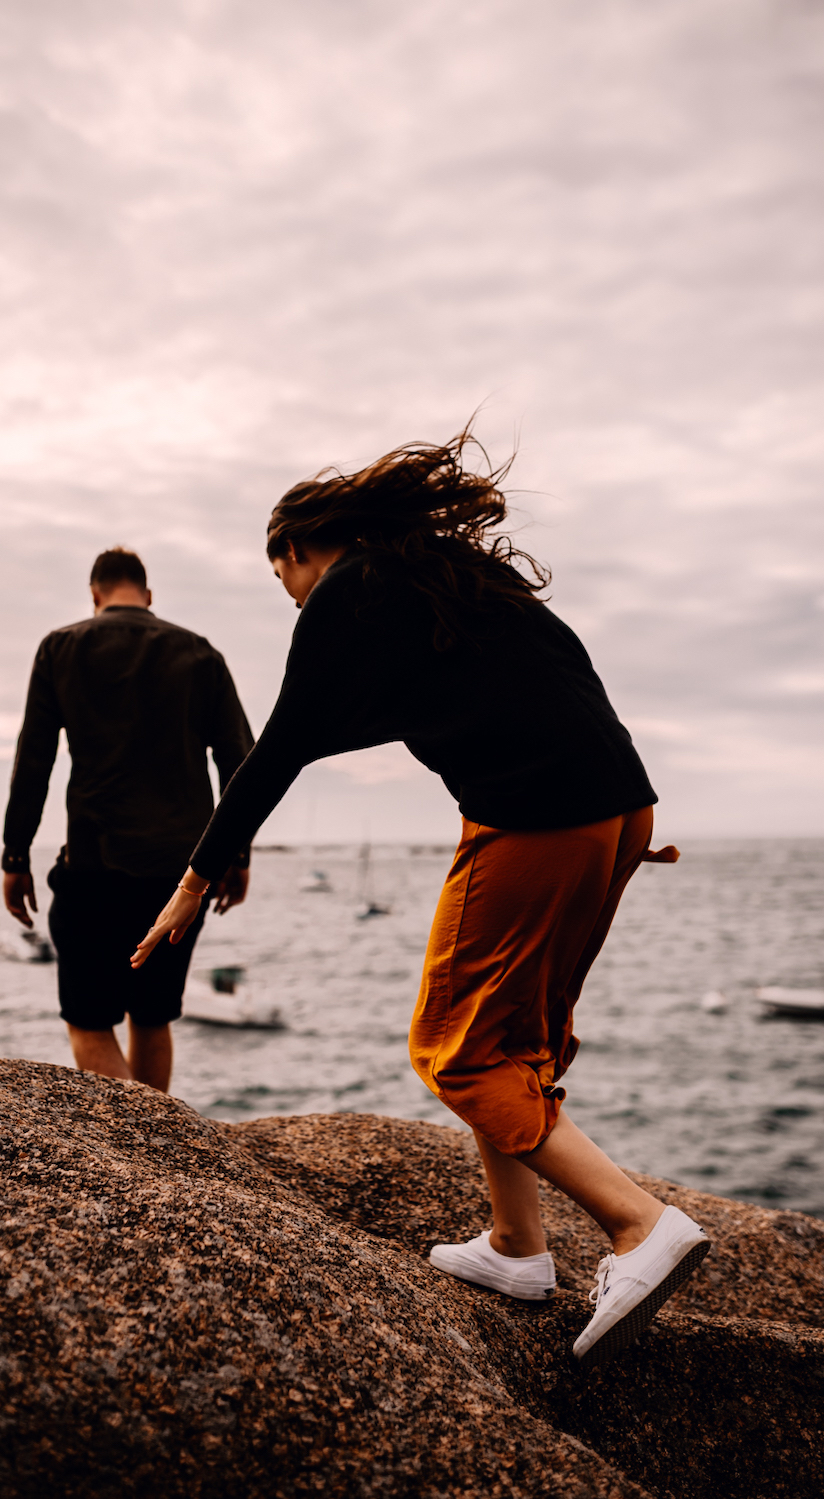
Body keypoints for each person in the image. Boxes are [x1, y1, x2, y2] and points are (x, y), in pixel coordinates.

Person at [130, 428, 711, 1369]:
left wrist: (192, 883)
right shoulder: (451, 576)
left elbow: (277, 748)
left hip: (532, 815)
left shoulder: (349, 590)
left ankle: (637, 1225)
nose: (285, 591)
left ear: (296, 547)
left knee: (456, 1050)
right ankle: (519, 1246)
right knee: (515, 1037)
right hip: (619, 809)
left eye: (279, 571)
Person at [2, 546, 254, 1092]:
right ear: (149, 595)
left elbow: (35, 760)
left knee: (88, 1022)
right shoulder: (201, 654)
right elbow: (240, 759)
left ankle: (141, 1153)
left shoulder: (60, 648)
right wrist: (236, 855)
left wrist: (15, 855)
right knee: (153, 1014)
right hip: (182, 872)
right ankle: (158, 1155)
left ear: (94, 595)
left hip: (95, 864)